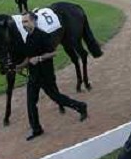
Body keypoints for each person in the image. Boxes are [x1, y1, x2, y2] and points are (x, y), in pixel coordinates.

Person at [18, 11, 88, 141]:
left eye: (26, 21)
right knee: (30, 102)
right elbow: (29, 58)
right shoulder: (28, 37)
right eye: (22, 22)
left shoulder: (43, 36)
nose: (24, 24)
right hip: (34, 76)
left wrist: (39, 58)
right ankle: (36, 129)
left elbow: (53, 53)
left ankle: (81, 106)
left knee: (57, 98)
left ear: (33, 21)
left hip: (46, 75)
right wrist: (19, 67)